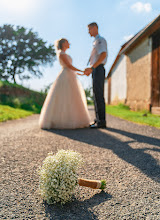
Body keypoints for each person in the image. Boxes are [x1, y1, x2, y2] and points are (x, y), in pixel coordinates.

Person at [39, 38, 90, 129]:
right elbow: (69, 66)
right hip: (65, 76)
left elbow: (70, 68)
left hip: (70, 75)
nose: (69, 43)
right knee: (65, 97)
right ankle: (61, 120)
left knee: (73, 97)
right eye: (67, 42)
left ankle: (75, 119)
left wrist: (79, 73)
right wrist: (82, 70)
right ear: (63, 44)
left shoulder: (64, 54)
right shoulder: (61, 53)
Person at [84, 22, 107, 129]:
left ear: (95, 28)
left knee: (98, 95)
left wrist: (93, 68)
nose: (88, 32)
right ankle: (98, 120)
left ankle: (101, 121)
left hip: (98, 69)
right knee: (96, 95)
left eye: (89, 29)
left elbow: (103, 55)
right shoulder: (96, 41)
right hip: (95, 70)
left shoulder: (100, 40)